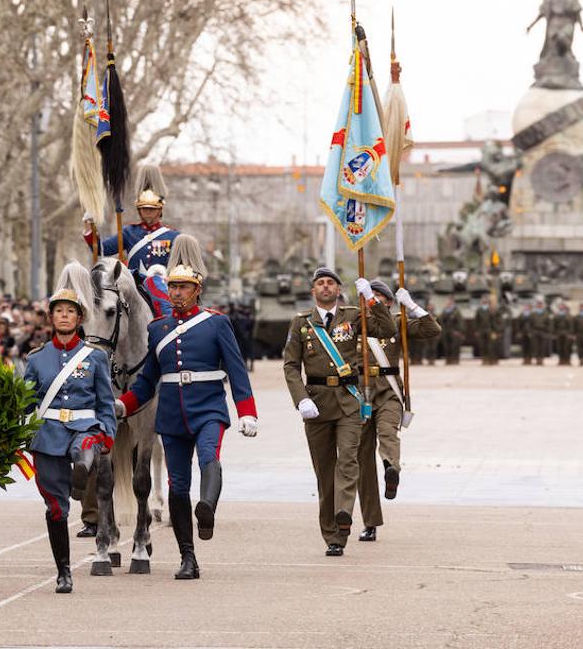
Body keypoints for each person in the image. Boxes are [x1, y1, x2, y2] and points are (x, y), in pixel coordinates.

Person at [115, 235, 258, 579]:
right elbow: (148, 380)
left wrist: (247, 411)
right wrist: (123, 405)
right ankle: (188, 557)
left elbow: (237, 370)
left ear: (196, 290)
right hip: (172, 415)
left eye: (183, 287)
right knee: (178, 486)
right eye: (173, 287)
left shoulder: (216, 322)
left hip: (208, 407)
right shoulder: (157, 328)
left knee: (209, 457)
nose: (176, 293)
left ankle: (206, 508)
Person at [280, 266, 395, 557]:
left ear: (338, 290)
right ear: (313, 291)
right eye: (321, 283)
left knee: (348, 460)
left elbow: (387, 329)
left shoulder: (354, 316)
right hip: (316, 405)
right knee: (324, 472)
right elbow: (291, 365)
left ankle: (344, 515)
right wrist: (300, 399)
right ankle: (333, 536)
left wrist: (371, 300)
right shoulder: (301, 323)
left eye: (331, 283)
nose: (326, 287)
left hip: (348, 401)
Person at [24, 262, 116, 594]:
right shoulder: (36, 359)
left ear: (79, 318)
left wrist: (108, 432)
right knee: (55, 509)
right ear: (52, 317)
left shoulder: (94, 357)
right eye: (58, 311)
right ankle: (63, 571)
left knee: (86, 446)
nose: (64, 316)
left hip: (84, 426)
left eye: (70, 311)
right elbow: (25, 401)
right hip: (48, 433)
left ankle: (83, 469)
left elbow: (105, 402)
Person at [356, 280, 440, 542]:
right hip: (360, 393)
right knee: (361, 458)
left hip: (389, 391)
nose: (373, 302)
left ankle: (391, 468)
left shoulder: (397, 322)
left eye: (379, 298)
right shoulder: (356, 323)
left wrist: (412, 306)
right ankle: (370, 521)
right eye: (370, 298)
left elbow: (431, 329)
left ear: (389, 303)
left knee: (388, 432)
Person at [83, 164, 179, 316]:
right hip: (134, 285)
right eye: (144, 208)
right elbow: (102, 249)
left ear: (160, 210)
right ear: (138, 210)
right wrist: (90, 228)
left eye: (152, 209)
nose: (148, 212)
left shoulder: (172, 236)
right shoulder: (129, 232)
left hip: (163, 286)